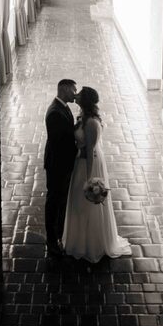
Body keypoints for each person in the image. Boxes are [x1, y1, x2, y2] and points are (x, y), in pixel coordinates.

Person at [63, 86, 132, 263]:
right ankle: (79, 241)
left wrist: (90, 179)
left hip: (88, 164)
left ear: (84, 100)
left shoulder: (92, 123)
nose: (75, 95)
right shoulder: (83, 117)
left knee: (86, 202)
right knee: (78, 204)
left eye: (79, 94)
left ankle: (92, 244)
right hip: (81, 161)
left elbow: (91, 150)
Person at [44, 78, 78, 256]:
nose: (75, 93)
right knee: (54, 201)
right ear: (64, 89)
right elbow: (60, 144)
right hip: (57, 165)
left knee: (59, 200)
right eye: (73, 90)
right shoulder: (55, 113)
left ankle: (58, 234)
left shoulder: (63, 107)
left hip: (61, 164)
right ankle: (51, 239)